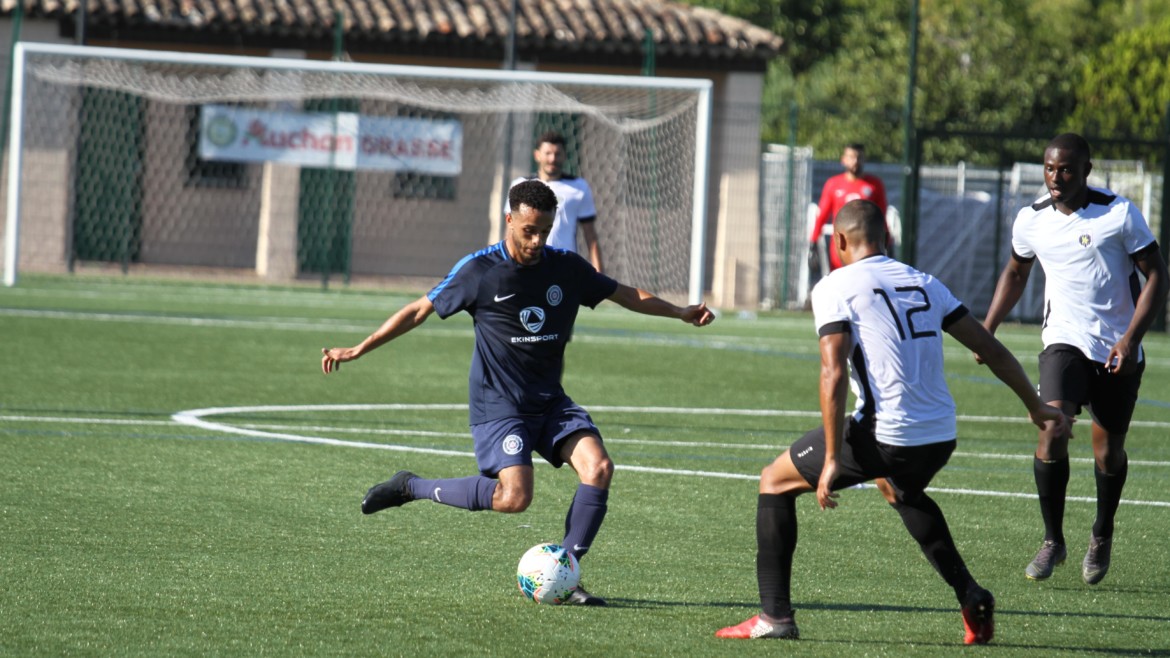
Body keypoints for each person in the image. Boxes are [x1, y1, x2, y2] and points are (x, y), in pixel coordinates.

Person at [321, 179, 714, 606]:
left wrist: (679, 311)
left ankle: (567, 572)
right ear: (509, 220)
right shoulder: (480, 270)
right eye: (529, 230)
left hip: (550, 401)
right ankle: (410, 487)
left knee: (599, 468)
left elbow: (622, 293)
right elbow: (420, 309)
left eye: (545, 230)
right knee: (514, 497)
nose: (537, 240)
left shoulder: (566, 266)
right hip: (499, 404)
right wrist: (360, 347)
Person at [716, 200, 1069, 644]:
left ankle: (774, 617)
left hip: (889, 434)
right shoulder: (923, 281)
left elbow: (834, 371)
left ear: (839, 240)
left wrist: (830, 458)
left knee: (774, 480)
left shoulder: (835, 286)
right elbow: (990, 348)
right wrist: (1036, 406)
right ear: (887, 238)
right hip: (941, 434)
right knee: (897, 488)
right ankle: (971, 595)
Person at [978, 133, 1168, 585]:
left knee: (1108, 451)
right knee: (1052, 428)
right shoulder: (1031, 219)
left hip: (1116, 349)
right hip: (1062, 341)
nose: (1055, 177)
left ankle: (1102, 532)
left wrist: (1128, 340)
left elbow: (1158, 274)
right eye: (1049, 168)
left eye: (1065, 169)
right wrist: (987, 329)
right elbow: (1016, 271)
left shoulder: (1118, 213)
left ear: (1085, 169)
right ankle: (1052, 541)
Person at [507, 131, 603, 272]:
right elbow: (509, 231)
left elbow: (591, 236)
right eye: (548, 153)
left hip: (564, 268)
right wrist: (507, 264)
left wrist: (599, 274)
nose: (553, 159)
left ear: (565, 156)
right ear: (537, 155)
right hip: (527, 265)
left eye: (557, 154)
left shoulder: (579, 187)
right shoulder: (519, 185)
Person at [810, 143, 888, 274]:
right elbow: (822, 215)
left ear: (864, 159)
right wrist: (813, 243)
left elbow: (882, 216)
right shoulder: (833, 184)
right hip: (841, 245)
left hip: (867, 247)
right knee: (840, 282)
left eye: (859, 157)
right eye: (851, 157)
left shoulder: (875, 185)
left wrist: (888, 242)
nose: (855, 161)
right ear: (843, 159)